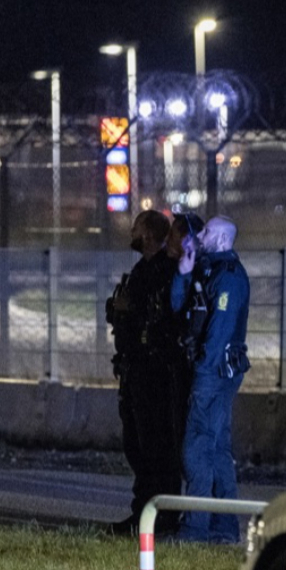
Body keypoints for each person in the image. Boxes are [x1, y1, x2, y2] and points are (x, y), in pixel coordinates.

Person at [105, 210, 190, 535]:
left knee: (158, 448)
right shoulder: (142, 269)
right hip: (135, 369)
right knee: (137, 446)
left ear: (150, 234)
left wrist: (133, 310)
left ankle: (161, 516)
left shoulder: (166, 271)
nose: (132, 233)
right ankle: (142, 513)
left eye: (138, 228)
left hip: (156, 373)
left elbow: (166, 317)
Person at [169, 215, 251, 544]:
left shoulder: (228, 277)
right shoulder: (207, 270)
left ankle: (195, 528)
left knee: (195, 448)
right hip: (210, 371)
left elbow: (219, 334)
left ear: (222, 239)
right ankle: (223, 528)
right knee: (215, 450)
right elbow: (179, 307)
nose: (200, 236)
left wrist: (202, 373)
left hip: (214, 374)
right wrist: (183, 273)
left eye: (206, 232)